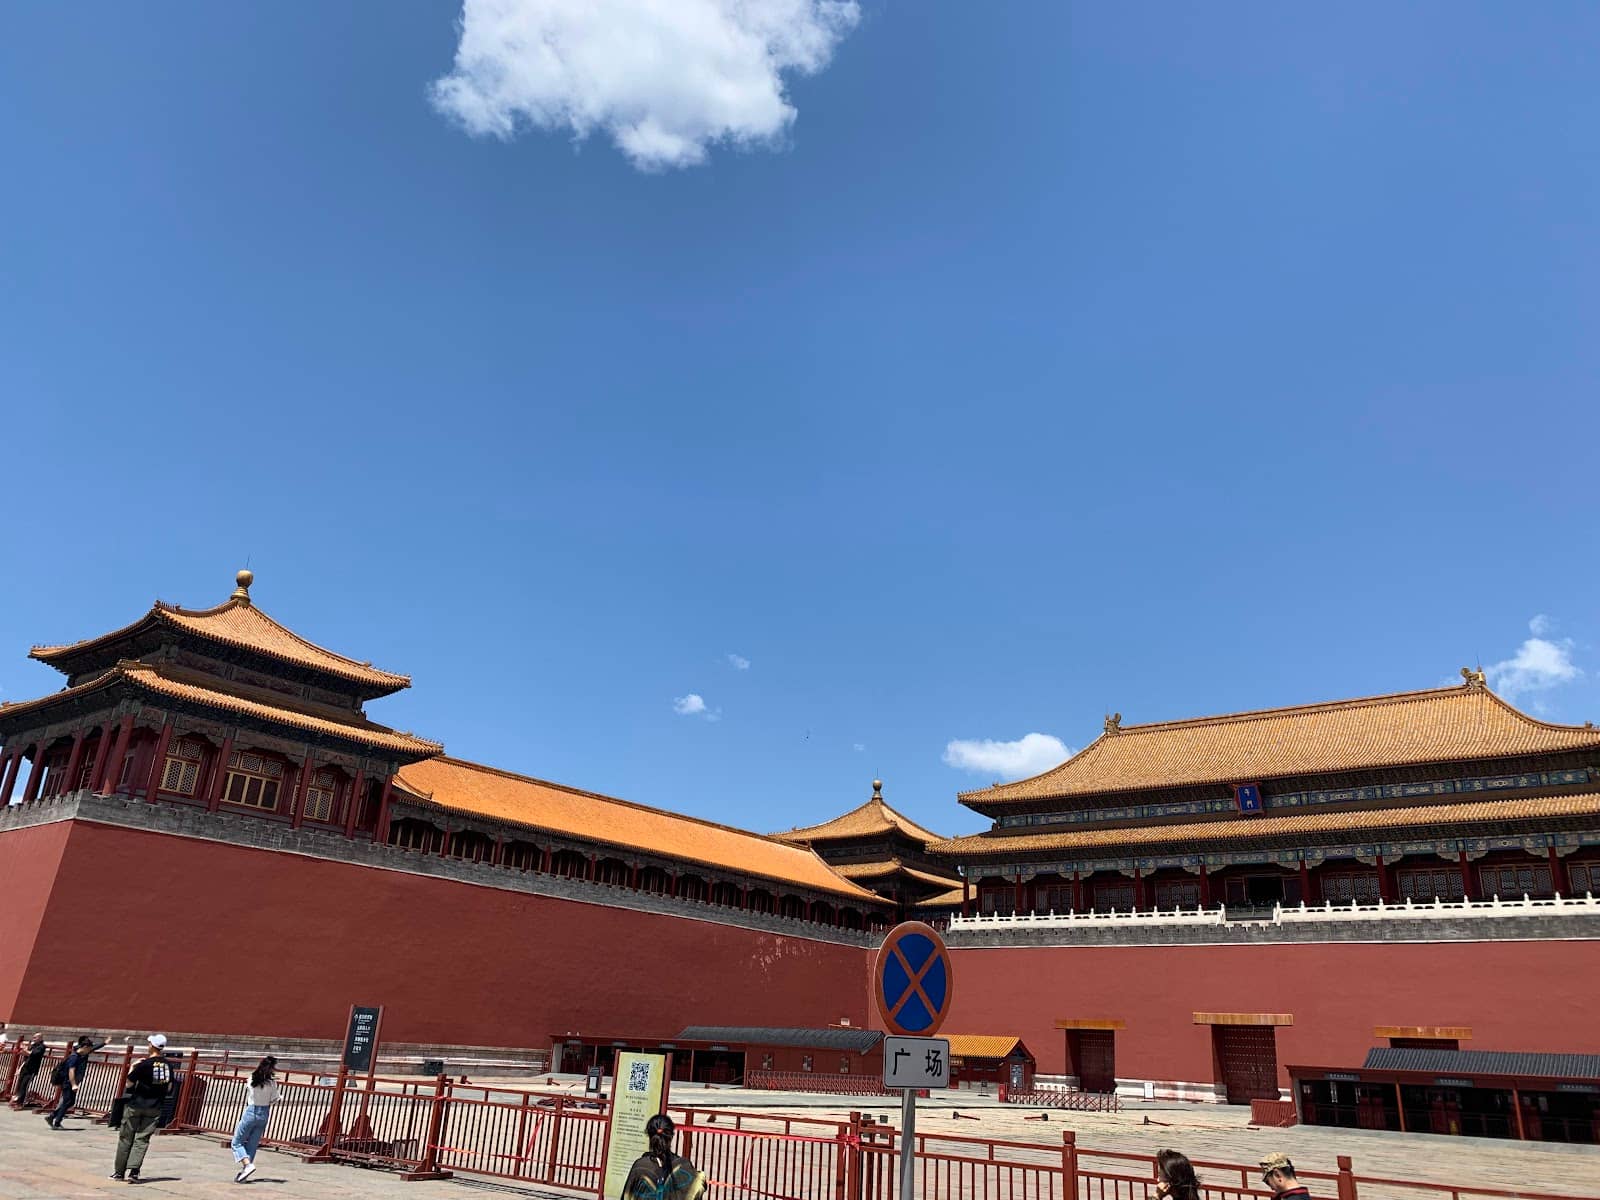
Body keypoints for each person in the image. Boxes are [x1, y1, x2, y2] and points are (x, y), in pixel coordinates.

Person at [110, 1035, 174, 1184]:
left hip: (136, 1105)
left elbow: (129, 1084)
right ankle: (134, 1172)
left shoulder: (144, 1064)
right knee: (142, 1139)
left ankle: (119, 1172)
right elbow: (170, 1087)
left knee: (126, 1138)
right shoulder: (167, 1065)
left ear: (151, 1045)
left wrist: (133, 1067)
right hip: (155, 1106)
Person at [620, 1113, 706, 1200]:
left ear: (650, 1137)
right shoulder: (684, 1166)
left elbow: (627, 1196)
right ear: (671, 1136)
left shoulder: (640, 1166)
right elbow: (698, 1185)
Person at [231, 1055, 279, 1183]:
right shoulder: (272, 1082)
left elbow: (249, 1090)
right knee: (252, 1144)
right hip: (264, 1112)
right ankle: (245, 1172)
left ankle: (247, 1165)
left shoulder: (252, 1078)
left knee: (237, 1142)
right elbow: (274, 1099)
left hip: (252, 1110)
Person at [46, 1036, 93, 1128]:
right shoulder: (74, 1057)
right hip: (67, 1082)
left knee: (70, 1101)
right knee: (67, 1101)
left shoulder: (79, 1056)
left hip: (69, 1082)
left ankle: (53, 1117)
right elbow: (71, 1071)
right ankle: (56, 1121)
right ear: (85, 1047)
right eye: (89, 1049)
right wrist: (73, 1084)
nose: (89, 1051)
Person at [11, 1034, 46, 1107]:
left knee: (25, 1085)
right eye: (33, 1037)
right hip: (25, 1067)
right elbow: (26, 1056)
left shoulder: (41, 1047)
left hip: (31, 1069)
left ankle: (21, 1103)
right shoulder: (32, 1045)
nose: (33, 1038)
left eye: (35, 1037)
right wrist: (20, 1068)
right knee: (20, 1084)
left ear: (40, 1038)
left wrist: (25, 1049)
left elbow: (33, 1054)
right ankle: (17, 1100)